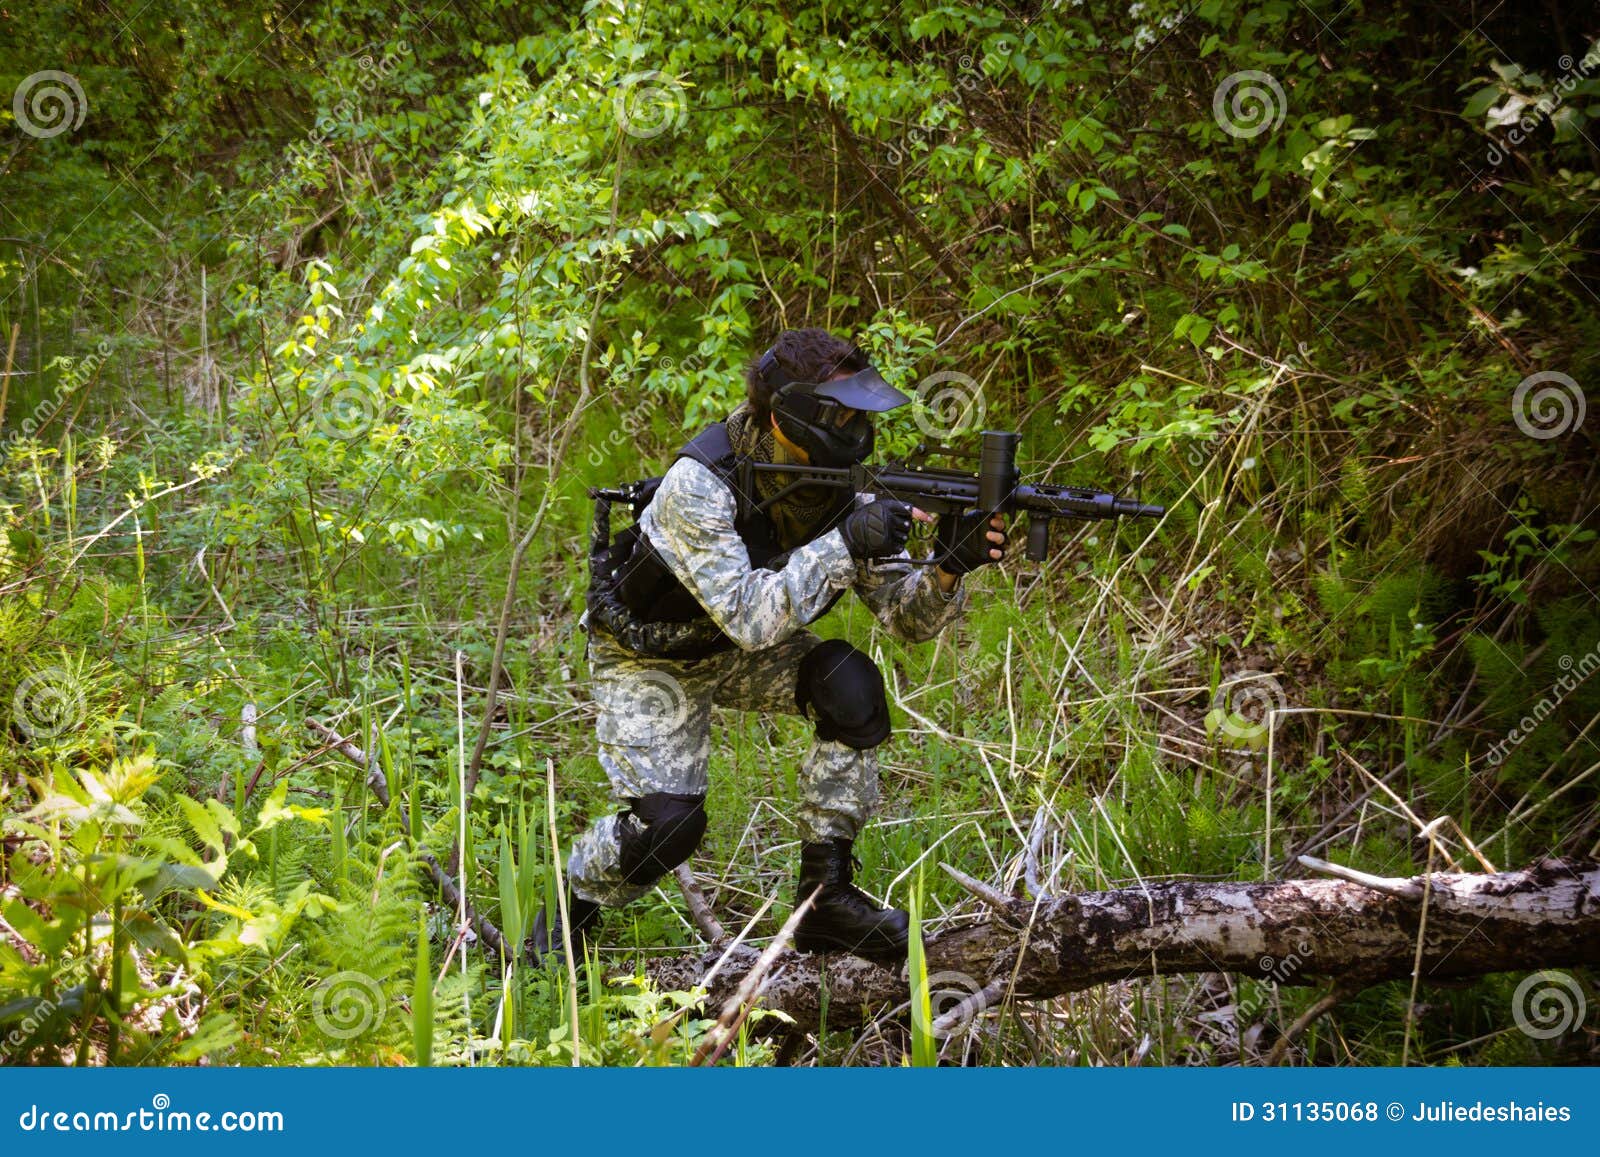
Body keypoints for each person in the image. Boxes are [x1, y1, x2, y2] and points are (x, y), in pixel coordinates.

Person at [532, 328, 1005, 965]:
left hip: (734, 654)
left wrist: (952, 565)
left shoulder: (849, 485)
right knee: (668, 827)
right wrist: (845, 543)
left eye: (859, 413)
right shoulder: (697, 485)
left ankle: (823, 904)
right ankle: (565, 916)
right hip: (651, 657)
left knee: (850, 687)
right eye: (842, 413)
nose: (857, 427)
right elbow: (750, 619)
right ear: (793, 414)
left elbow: (906, 620)